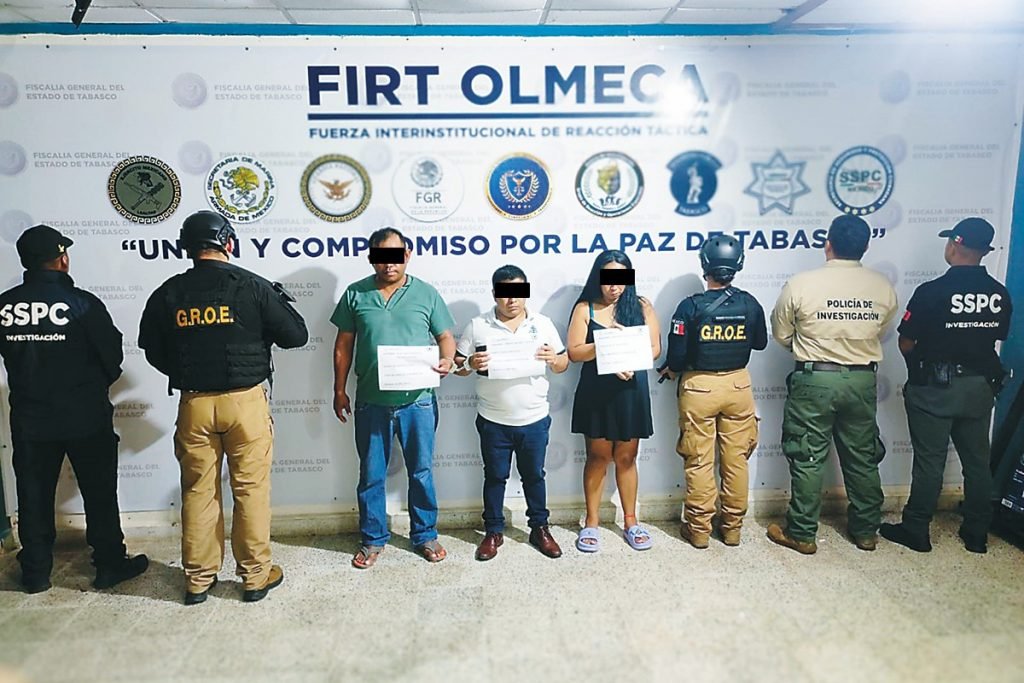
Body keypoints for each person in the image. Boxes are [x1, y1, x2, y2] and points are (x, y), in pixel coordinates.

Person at [139, 211, 307, 604]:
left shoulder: (169, 291)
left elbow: (151, 348)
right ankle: (255, 577)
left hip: (194, 404)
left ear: (186, 247)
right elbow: (296, 336)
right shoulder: (251, 285)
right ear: (228, 242)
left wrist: (186, 370)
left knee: (198, 491)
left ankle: (198, 580)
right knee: (250, 491)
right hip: (244, 404)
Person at [1, 225, 149, 594]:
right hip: (85, 417)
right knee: (99, 493)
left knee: (33, 494)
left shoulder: (4, 305)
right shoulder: (82, 304)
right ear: (62, 259)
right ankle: (109, 564)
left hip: (31, 420)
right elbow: (112, 357)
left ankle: (35, 573)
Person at [881, 218, 1012, 554]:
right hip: (979, 388)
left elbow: (906, 342)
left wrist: (920, 372)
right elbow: (997, 336)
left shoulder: (932, 292)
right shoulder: (998, 293)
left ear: (954, 244)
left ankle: (916, 529)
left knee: (930, 462)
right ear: (985, 251)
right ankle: (977, 534)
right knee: (977, 463)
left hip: (935, 390)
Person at [768, 215, 898, 554]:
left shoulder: (801, 283)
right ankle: (866, 532)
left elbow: (781, 333)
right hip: (861, 379)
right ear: (866, 247)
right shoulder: (882, 286)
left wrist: (812, 350)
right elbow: (881, 330)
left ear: (828, 244)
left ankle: (802, 533)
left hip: (814, 378)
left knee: (807, 456)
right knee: (862, 458)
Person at [331, 227, 456, 569]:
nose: (389, 264)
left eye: (395, 256)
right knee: (371, 474)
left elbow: (446, 337)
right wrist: (339, 389)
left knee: (421, 472)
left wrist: (447, 359)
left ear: (407, 254)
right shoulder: (356, 293)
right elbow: (343, 345)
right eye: (381, 257)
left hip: (419, 401)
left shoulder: (426, 293)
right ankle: (373, 539)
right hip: (371, 401)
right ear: (371, 258)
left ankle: (425, 535)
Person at [659, 235, 767, 548]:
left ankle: (699, 530)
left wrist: (672, 367)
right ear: (738, 265)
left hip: (699, 388)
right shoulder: (750, 303)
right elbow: (760, 343)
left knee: (699, 461)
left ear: (705, 265)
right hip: (738, 386)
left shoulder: (689, 306)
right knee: (736, 460)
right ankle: (732, 529)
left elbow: (677, 357)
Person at [454, 265, 568, 561]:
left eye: (517, 292)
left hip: (534, 419)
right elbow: (457, 365)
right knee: (495, 477)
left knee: (534, 476)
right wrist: (470, 363)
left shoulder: (542, 324)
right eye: (505, 293)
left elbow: (563, 362)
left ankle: (539, 528)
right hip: (493, 420)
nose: (512, 299)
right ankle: (493, 531)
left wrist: (554, 360)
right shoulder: (478, 325)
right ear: (495, 294)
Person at [567, 250, 661, 552]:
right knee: (597, 457)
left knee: (627, 457)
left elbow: (655, 348)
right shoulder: (585, 308)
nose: (614, 286)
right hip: (596, 392)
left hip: (631, 390)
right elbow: (574, 352)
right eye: (608, 278)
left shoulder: (642, 306)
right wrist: (606, 344)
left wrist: (630, 354)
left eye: (620, 279)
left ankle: (631, 521)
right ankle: (591, 522)